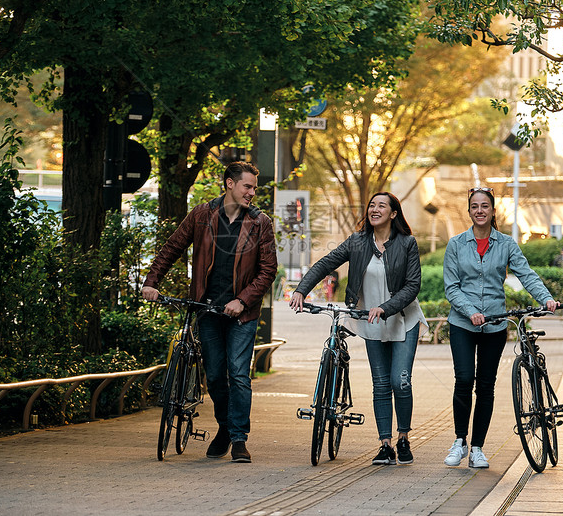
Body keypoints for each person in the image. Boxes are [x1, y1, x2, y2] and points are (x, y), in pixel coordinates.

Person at [142, 162, 277, 463]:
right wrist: (151, 282)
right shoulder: (201, 216)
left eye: (254, 188)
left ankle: (239, 439)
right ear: (230, 184)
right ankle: (225, 428)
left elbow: (268, 270)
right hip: (207, 309)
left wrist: (242, 300)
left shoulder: (260, 223)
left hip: (242, 314)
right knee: (215, 375)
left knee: (239, 373)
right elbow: (172, 248)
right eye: (247, 186)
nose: (252, 193)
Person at [289, 192, 428, 466]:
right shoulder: (357, 242)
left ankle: (403, 437)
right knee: (380, 385)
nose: (374, 209)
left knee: (400, 382)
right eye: (371, 205)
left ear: (393, 213)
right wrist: (301, 290)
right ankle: (385, 445)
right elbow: (326, 263)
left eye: (381, 206)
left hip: (402, 318)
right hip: (370, 319)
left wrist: (386, 307)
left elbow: (413, 286)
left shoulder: (407, 243)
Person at [442, 187, 559, 469]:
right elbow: (451, 287)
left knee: (486, 386)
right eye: (474, 206)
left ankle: (478, 448)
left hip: (494, 325)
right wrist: (470, 312)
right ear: (469, 211)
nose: (479, 210)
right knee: (464, 379)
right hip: (462, 323)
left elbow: (526, 273)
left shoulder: (506, 244)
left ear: (493, 211)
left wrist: (545, 297)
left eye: (485, 206)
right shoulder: (456, 244)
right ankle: (460, 440)